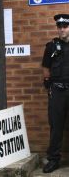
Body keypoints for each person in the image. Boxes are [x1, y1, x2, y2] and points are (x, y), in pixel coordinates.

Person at [42, 14, 69, 173]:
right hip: (58, 90)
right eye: (59, 27)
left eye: (65, 26)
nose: (62, 29)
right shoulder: (52, 46)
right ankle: (53, 159)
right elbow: (46, 66)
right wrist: (47, 80)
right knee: (56, 126)